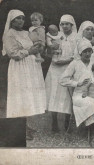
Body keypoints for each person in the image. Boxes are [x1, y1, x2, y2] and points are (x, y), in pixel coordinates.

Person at [2, 9, 46, 141]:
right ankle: (19, 128)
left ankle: (25, 126)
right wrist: (29, 51)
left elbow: (37, 45)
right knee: (20, 96)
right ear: (11, 20)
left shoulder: (27, 32)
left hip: (31, 67)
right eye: (18, 18)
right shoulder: (9, 34)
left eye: (22, 18)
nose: (21, 21)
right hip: (19, 68)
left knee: (28, 96)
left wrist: (39, 47)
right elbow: (13, 54)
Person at [60, 40, 94, 146]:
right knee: (91, 104)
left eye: (90, 51)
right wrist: (77, 83)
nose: (88, 54)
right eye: (85, 51)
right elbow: (62, 80)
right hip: (80, 94)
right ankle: (93, 133)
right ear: (80, 52)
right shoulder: (74, 63)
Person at [45, 14, 77, 132]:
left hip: (68, 68)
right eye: (62, 24)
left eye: (67, 24)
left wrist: (66, 61)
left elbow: (77, 55)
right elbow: (48, 52)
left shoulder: (76, 37)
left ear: (72, 25)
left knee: (67, 95)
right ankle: (54, 121)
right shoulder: (56, 35)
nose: (64, 26)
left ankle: (67, 122)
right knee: (54, 93)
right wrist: (51, 49)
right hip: (55, 68)